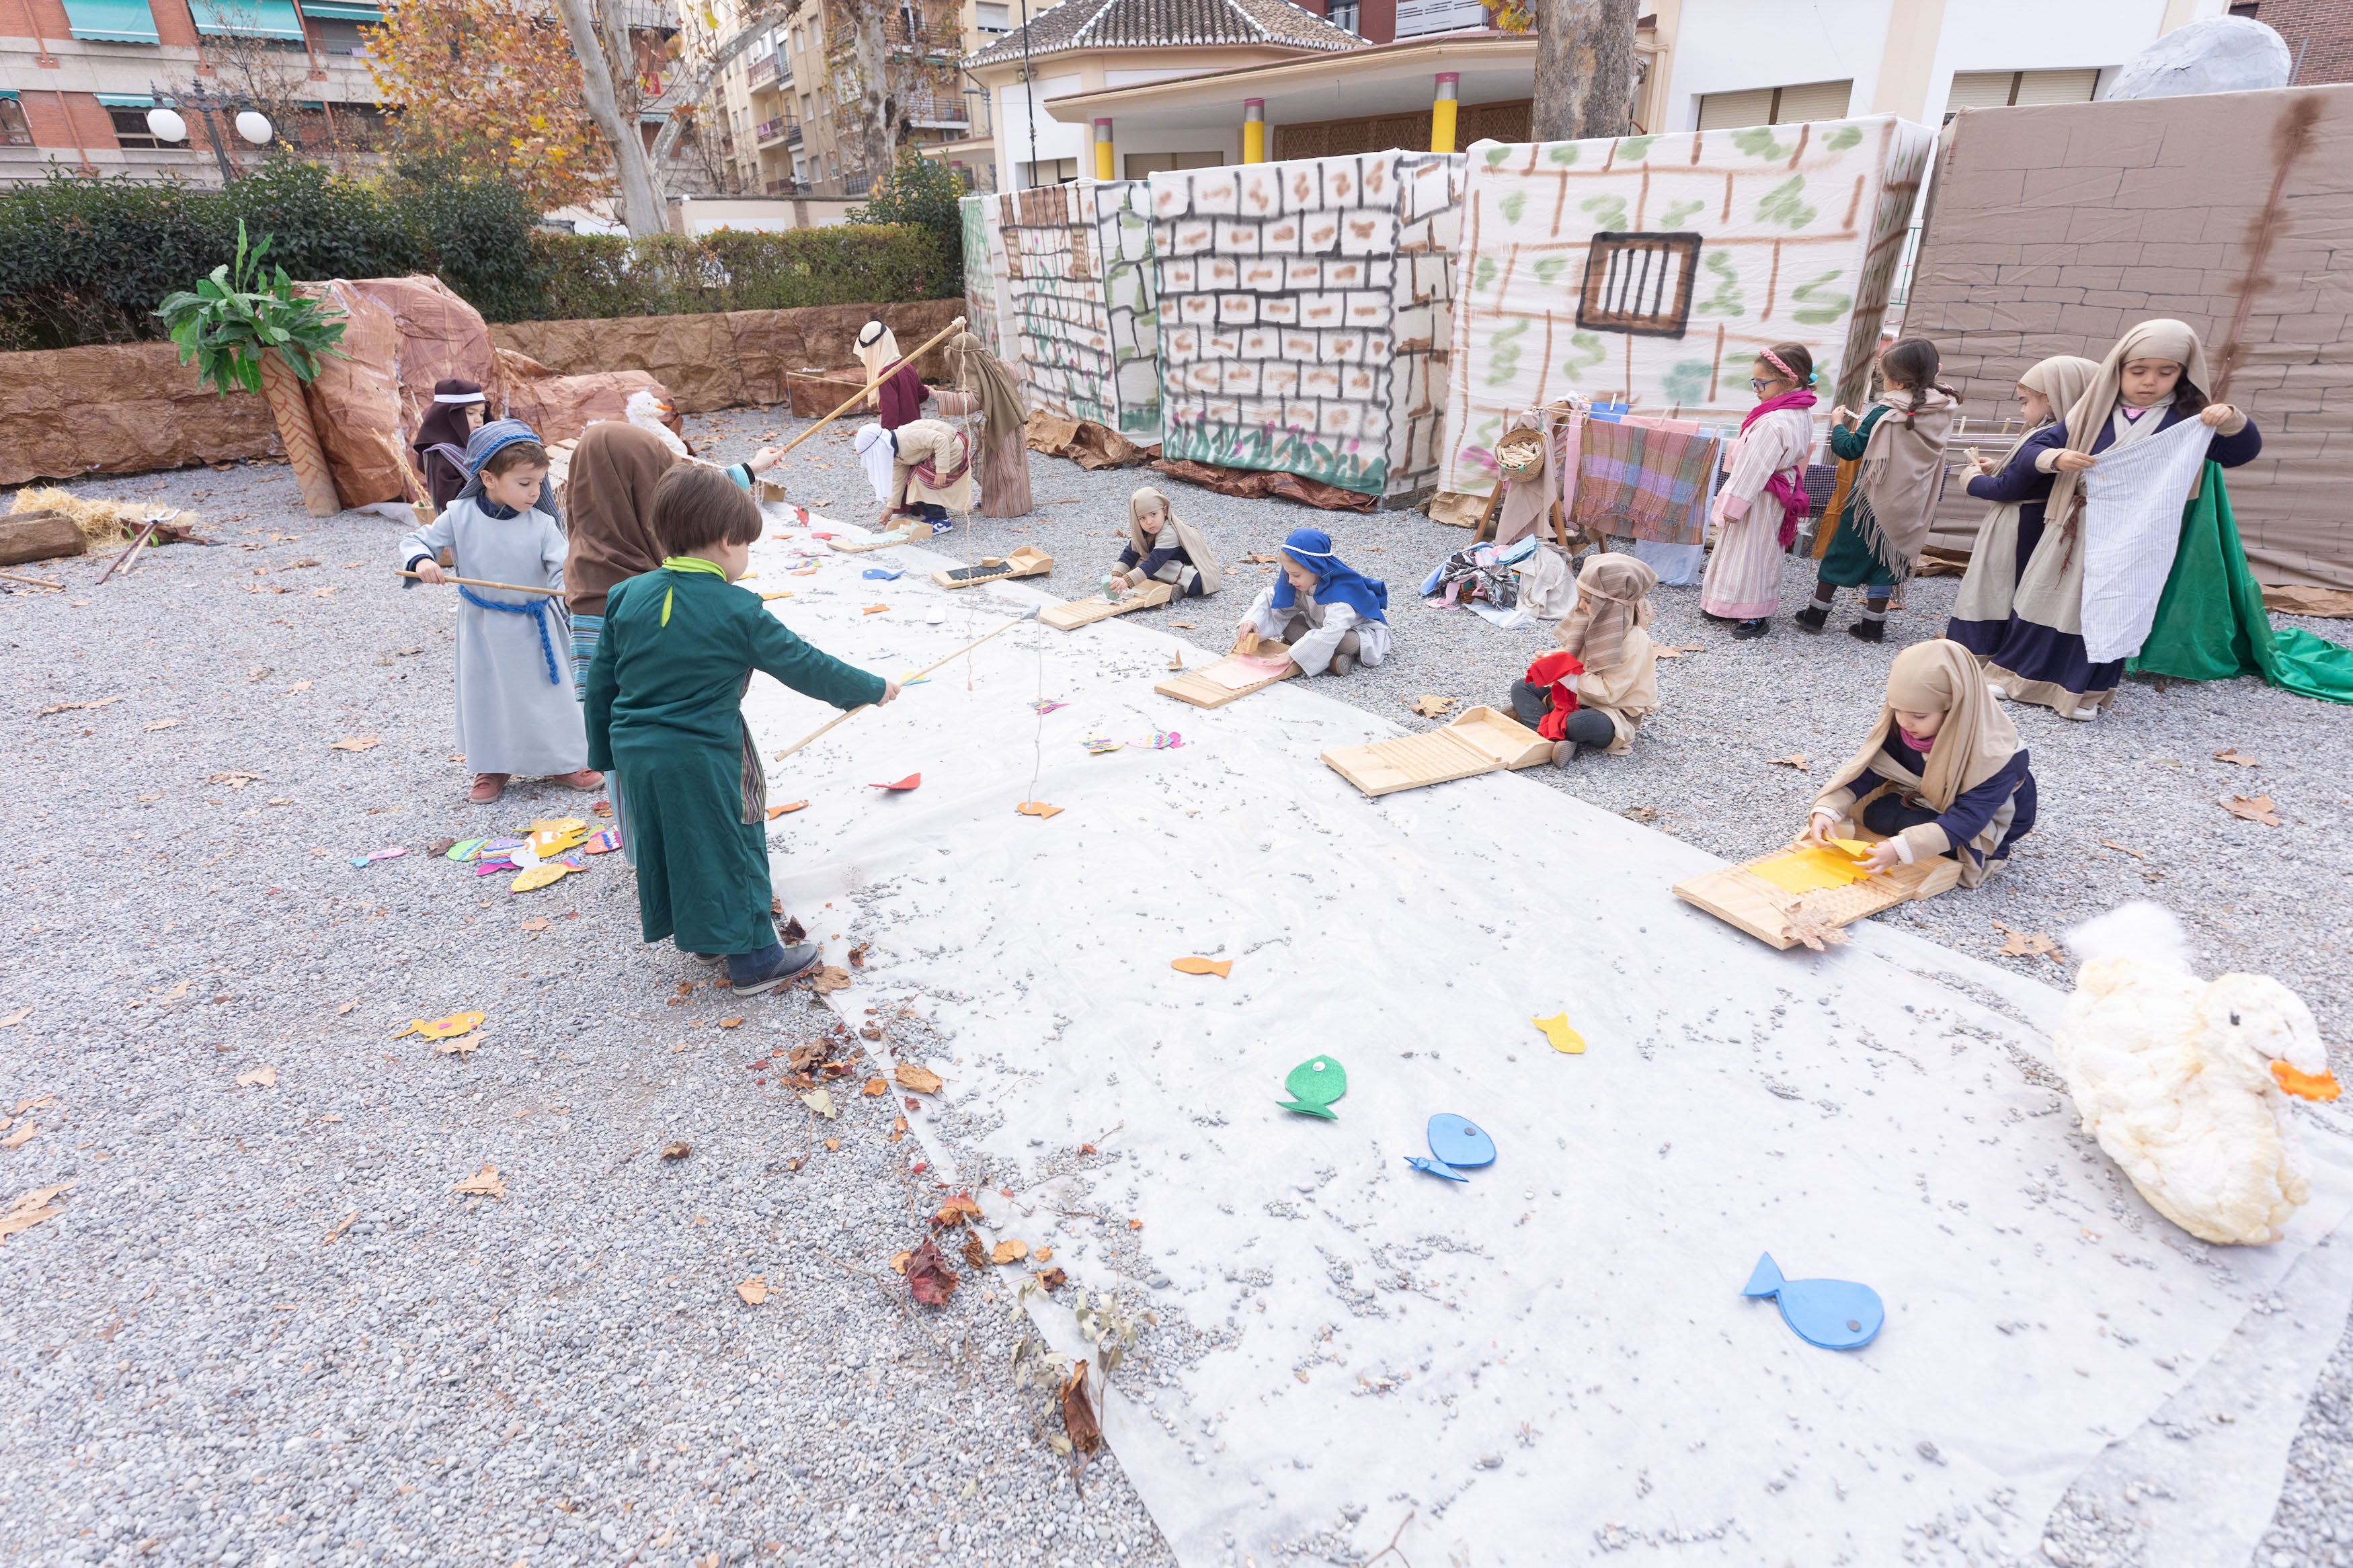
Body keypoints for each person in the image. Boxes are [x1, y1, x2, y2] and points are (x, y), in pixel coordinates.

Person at [583, 464, 900, 997]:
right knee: (734, 842)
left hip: (638, 751)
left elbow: (600, 683)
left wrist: (604, 753)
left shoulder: (626, 595)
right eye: (747, 545)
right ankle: (754, 956)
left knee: (675, 842)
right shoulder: (738, 607)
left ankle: (707, 934)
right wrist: (869, 686)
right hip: (708, 752)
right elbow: (803, 663)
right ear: (728, 540)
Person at [1983, 319, 2262, 719]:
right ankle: (2016, 676)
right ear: (2118, 370)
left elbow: (2239, 454)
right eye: (2138, 371)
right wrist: (2056, 458)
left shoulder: (2186, 420)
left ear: (2183, 375)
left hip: (2135, 533)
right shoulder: (2095, 411)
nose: (2150, 382)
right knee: (2046, 597)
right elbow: (2037, 446)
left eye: (2166, 373)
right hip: (2075, 525)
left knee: (2110, 606)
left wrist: (2232, 421)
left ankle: (2083, 691)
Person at [396, 420, 600, 805]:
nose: (535, 492)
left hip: (535, 624)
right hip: (482, 626)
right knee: (488, 694)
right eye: (524, 483)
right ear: (488, 477)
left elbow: (562, 568)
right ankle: (492, 765)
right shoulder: (459, 515)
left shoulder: (541, 525)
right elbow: (416, 540)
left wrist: (568, 589)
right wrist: (423, 560)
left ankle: (565, 760)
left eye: (539, 482)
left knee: (549, 694)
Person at [563, 423, 785, 697]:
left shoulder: (583, 573)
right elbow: (601, 702)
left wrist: (751, 468)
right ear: (642, 484)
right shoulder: (618, 602)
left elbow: (692, 496)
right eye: (657, 474)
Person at [1804, 638, 2037, 889]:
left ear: (1954, 708)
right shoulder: (1903, 725)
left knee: (1913, 829)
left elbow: (1970, 817)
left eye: (1919, 716)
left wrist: (1902, 848)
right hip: (1929, 796)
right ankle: (1923, 828)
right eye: (1897, 710)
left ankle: (1968, 846)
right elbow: (1870, 772)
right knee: (1879, 815)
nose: (1905, 723)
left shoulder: (1998, 755)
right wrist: (1828, 809)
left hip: (1984, 816)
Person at [1796, 337, 1960, 642]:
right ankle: (1873, 625)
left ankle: (1816, 614)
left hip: (1872, 499)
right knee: (1889, 556)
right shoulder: (1942, 409)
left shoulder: (1886, 413)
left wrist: (1838, 423)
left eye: (1884, 377)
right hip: (1912, 500)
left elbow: (1849, 449)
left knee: (1843, 552)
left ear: (1897, 381)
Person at [1945, 355, 2101, 658]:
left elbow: (2008, 489)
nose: (2022, 409)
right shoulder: (2060, 431)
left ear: (2053, 397)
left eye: (2026, 401)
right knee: (2011, 586)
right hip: (2033, 518)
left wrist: (1971, 478)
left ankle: (1985, 652)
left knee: (1999, 587)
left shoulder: (2049, 435)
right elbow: (2025, 474)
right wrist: (2000, 466)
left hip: (2020, 522)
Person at [1700, 343, 1818, 640]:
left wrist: (1732, 505)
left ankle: (1754, 614)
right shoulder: (1796, 410)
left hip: (1760, 495)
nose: (1756, 388)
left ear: (1788, 383)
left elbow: (1753, 469)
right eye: (1754, 382)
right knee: (1740, 549)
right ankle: (1724, 603)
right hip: (1768, 492)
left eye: (1761, 383)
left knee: (1754, 552)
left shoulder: (1775, 421)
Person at [1507, 554, 1661, 766]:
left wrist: (1565, 677)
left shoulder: (1632, 642)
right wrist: (1551, 660)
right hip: (1575, 696)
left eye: (1588, 601)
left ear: (1608, 607)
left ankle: (1542, 726)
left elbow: (1608, 693)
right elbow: (1569, 654)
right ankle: (1548, 736)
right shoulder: (1586, 618)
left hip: (1611, 709)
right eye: (1581, 598)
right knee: (1521, 688)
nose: (1580, 605)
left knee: (1579, 724)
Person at [1235, 527, 1390, 677]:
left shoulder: (1341, 593)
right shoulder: (1298, 581)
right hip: (1319, 625)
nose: (1290, 580)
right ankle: (1322, 657)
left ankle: (1311, 654)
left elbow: (1334, 629)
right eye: (1287, 573)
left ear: (1315, 568)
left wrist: (1292, 653)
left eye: (1295, 575)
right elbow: (1271, 599)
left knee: (1345, 642)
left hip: (1354, 631)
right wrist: (1253, 621)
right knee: (1283, 617)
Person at [946, 329, 1031, 518]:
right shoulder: (995, 364)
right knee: (1011, 464)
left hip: (1000, 426)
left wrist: (935, 396)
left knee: (1002, 467)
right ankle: (1017, 502)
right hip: (1011, 420)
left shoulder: (976, 378)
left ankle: (1006, 507)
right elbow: (1015, 376)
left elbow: (969, 402)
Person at [1107, 487, 1220, 601]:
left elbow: (1155, 561)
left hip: (1193, 570)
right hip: (1167, 564)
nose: (1149, 522)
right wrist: (1116, 574)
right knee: (1138, 562)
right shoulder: (1144, 531)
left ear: (1164, 511)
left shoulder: (1170, 532)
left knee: (1194, 582)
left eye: (1154, 514)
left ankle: (1178, 587)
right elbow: (1131, 552)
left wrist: (1126, 580)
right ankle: (1173, 587)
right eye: (1142, 518)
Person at [865, 417, 972, 530]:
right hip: (941, 451)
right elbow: (898, 480)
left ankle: (941, 520)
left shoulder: (906, 437)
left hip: (954, 447)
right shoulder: (895, 454)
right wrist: (890, 507)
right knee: (912, 480)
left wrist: (941, 470)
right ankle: (932, 516)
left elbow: (941, 440)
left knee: (920, 480)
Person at [412, 378, 485, 511]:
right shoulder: (443, 457)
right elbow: (453, 505)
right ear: (449, 417)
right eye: (471, 413)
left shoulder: (478, 448)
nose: (478, 419)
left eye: (482, 414)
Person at [855, 319, 929, 431]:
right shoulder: (906, 365)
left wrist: (885, 439)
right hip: (916, 431)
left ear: (875, 347)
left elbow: (890, 413)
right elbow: (923, 395)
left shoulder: (886, 375)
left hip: (901, 437)